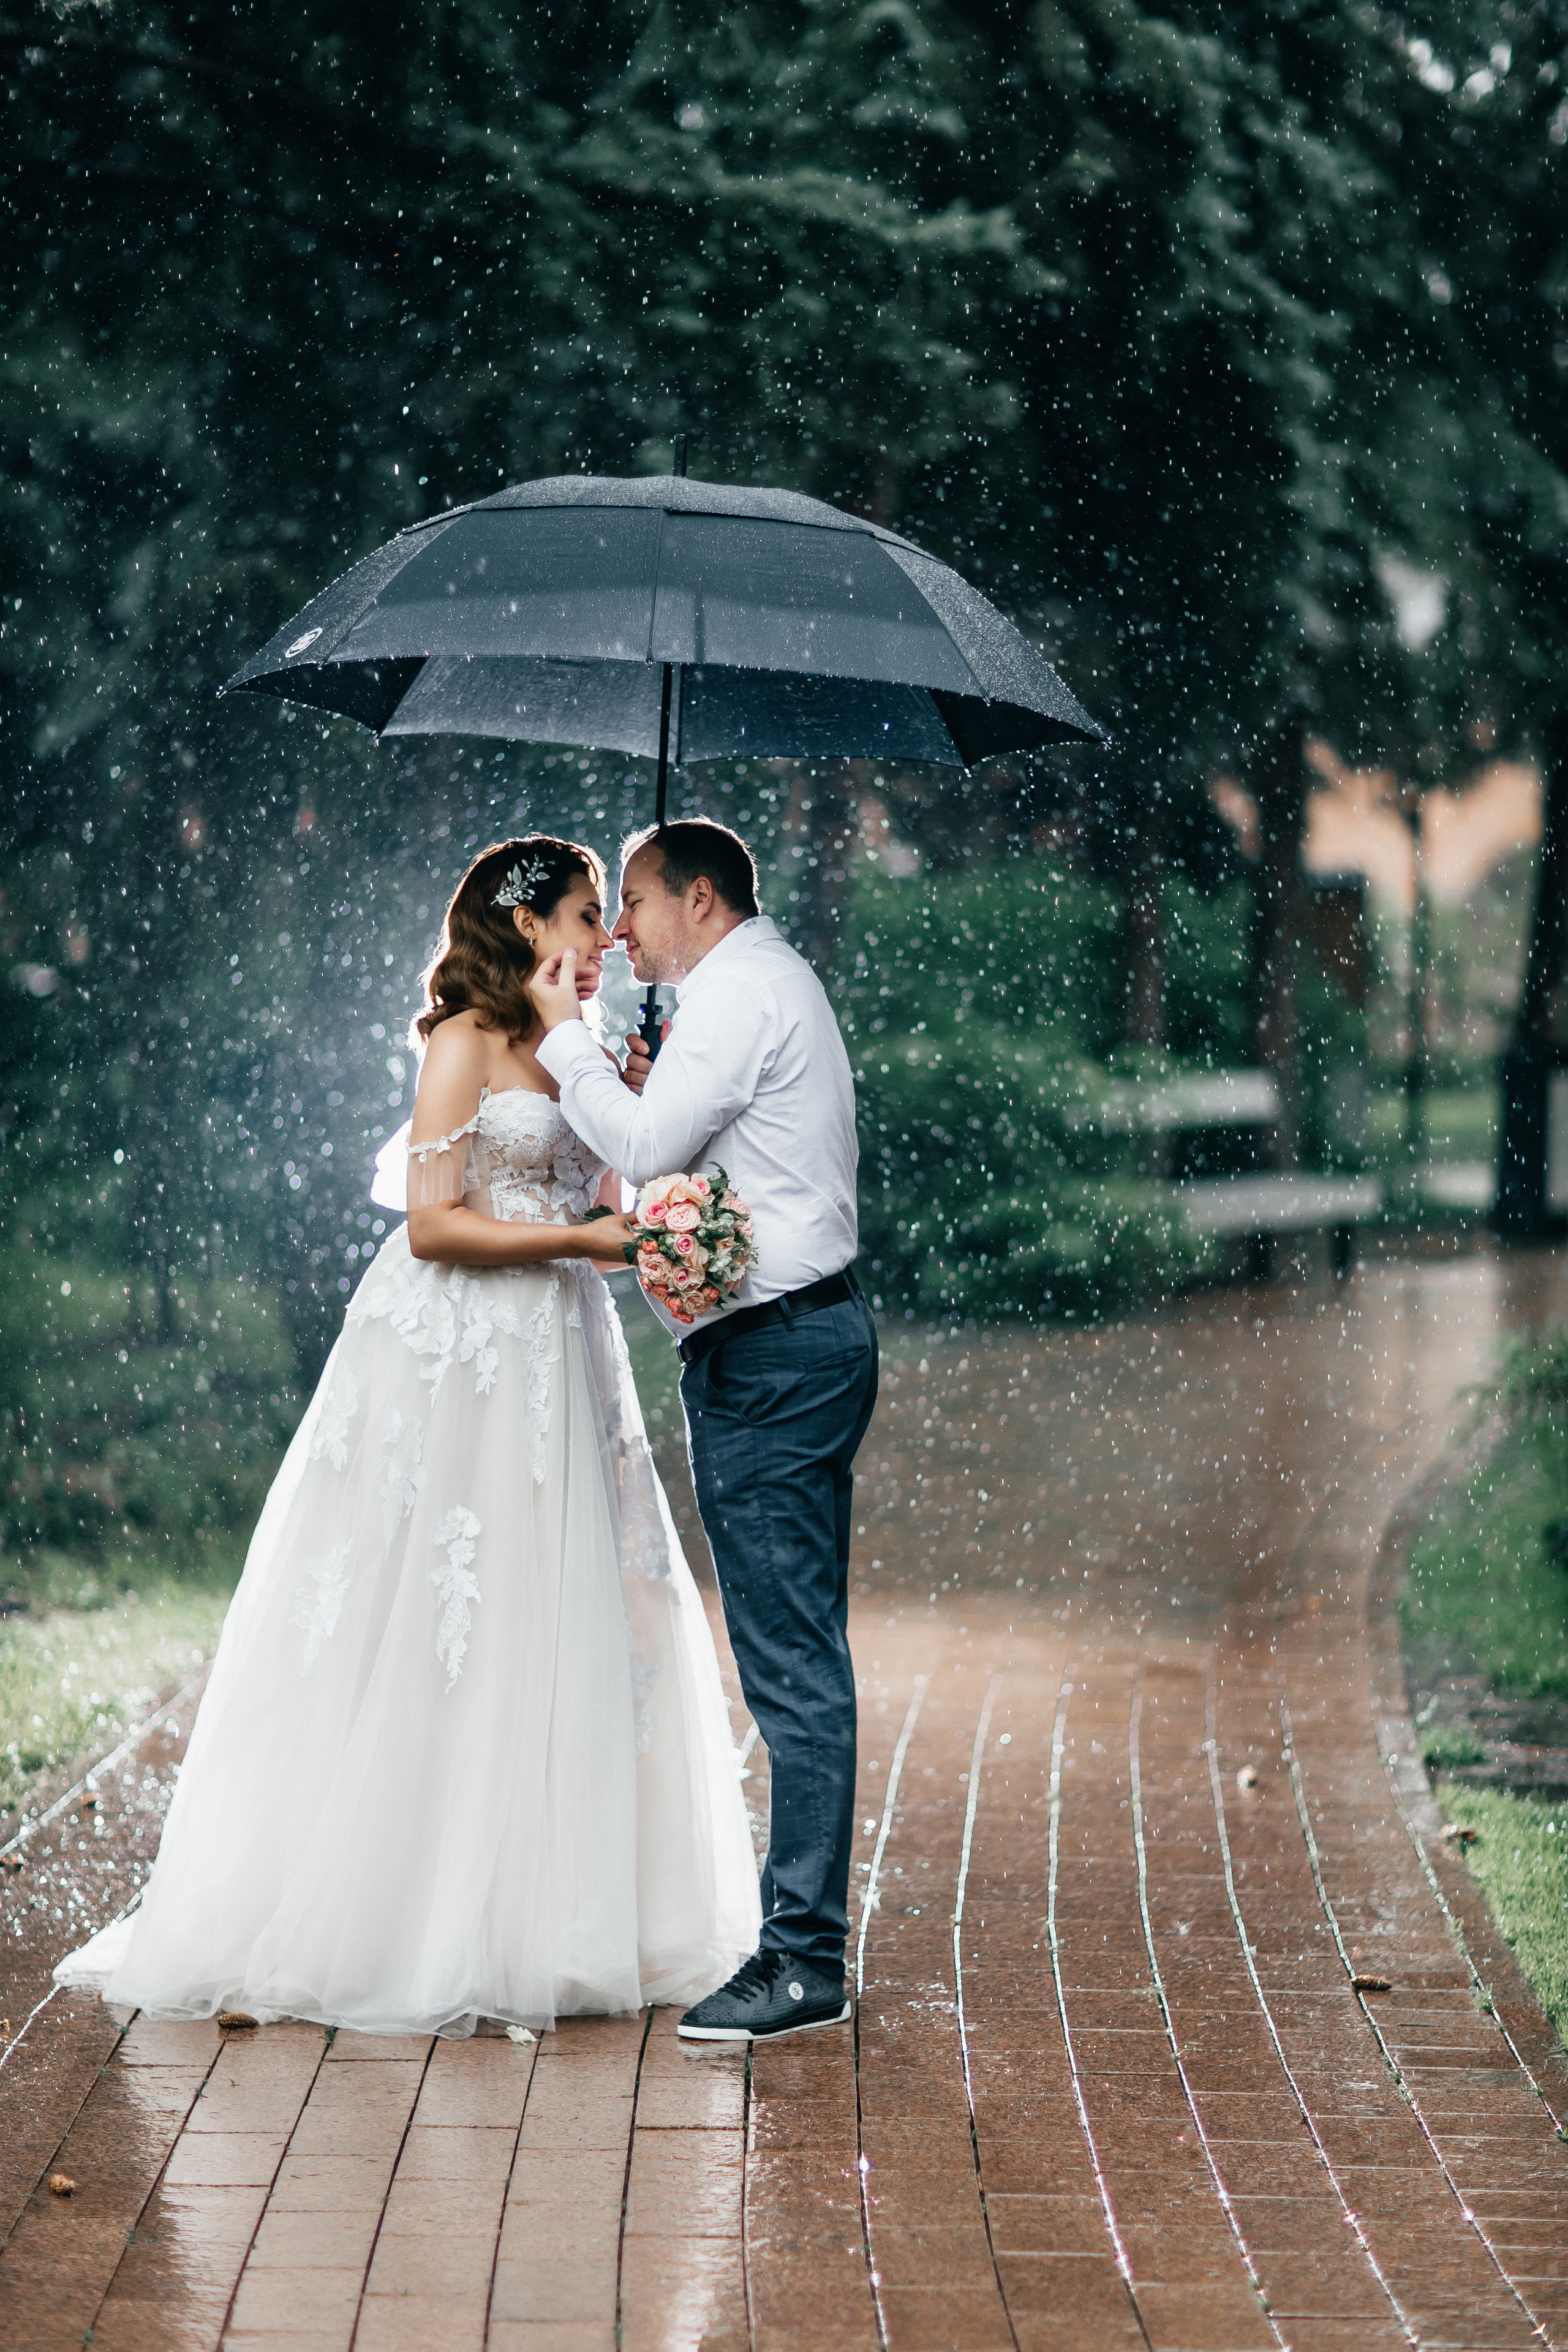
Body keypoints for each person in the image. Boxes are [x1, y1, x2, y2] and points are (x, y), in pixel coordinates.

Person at [55, 835, 760, 2037]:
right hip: (458, 1350)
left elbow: (612, 1189)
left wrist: (639, 1115)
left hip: (561, 1354)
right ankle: (403, 1904)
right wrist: (585, 1243)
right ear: (529, 926)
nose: (604, 941)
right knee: (443, 1601)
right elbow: (435, 1228)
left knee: (579, 1603)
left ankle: (573, 1905)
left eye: (607, 919)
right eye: (588, 917)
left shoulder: (580, 1048)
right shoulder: (461, 1043)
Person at [529, 817, 878, 2044]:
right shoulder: (751, 987)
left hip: (776, 1356)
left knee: (789, 1665)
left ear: (698, 898)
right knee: (795, 1652)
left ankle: (801, 1963)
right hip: (788, 1347)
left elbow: (638, 1150)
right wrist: (635, 1077)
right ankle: (802, 1948)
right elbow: (675, 1143)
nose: (619, 929)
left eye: (634, 903)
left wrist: (568, 1048)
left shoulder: (737, 998)